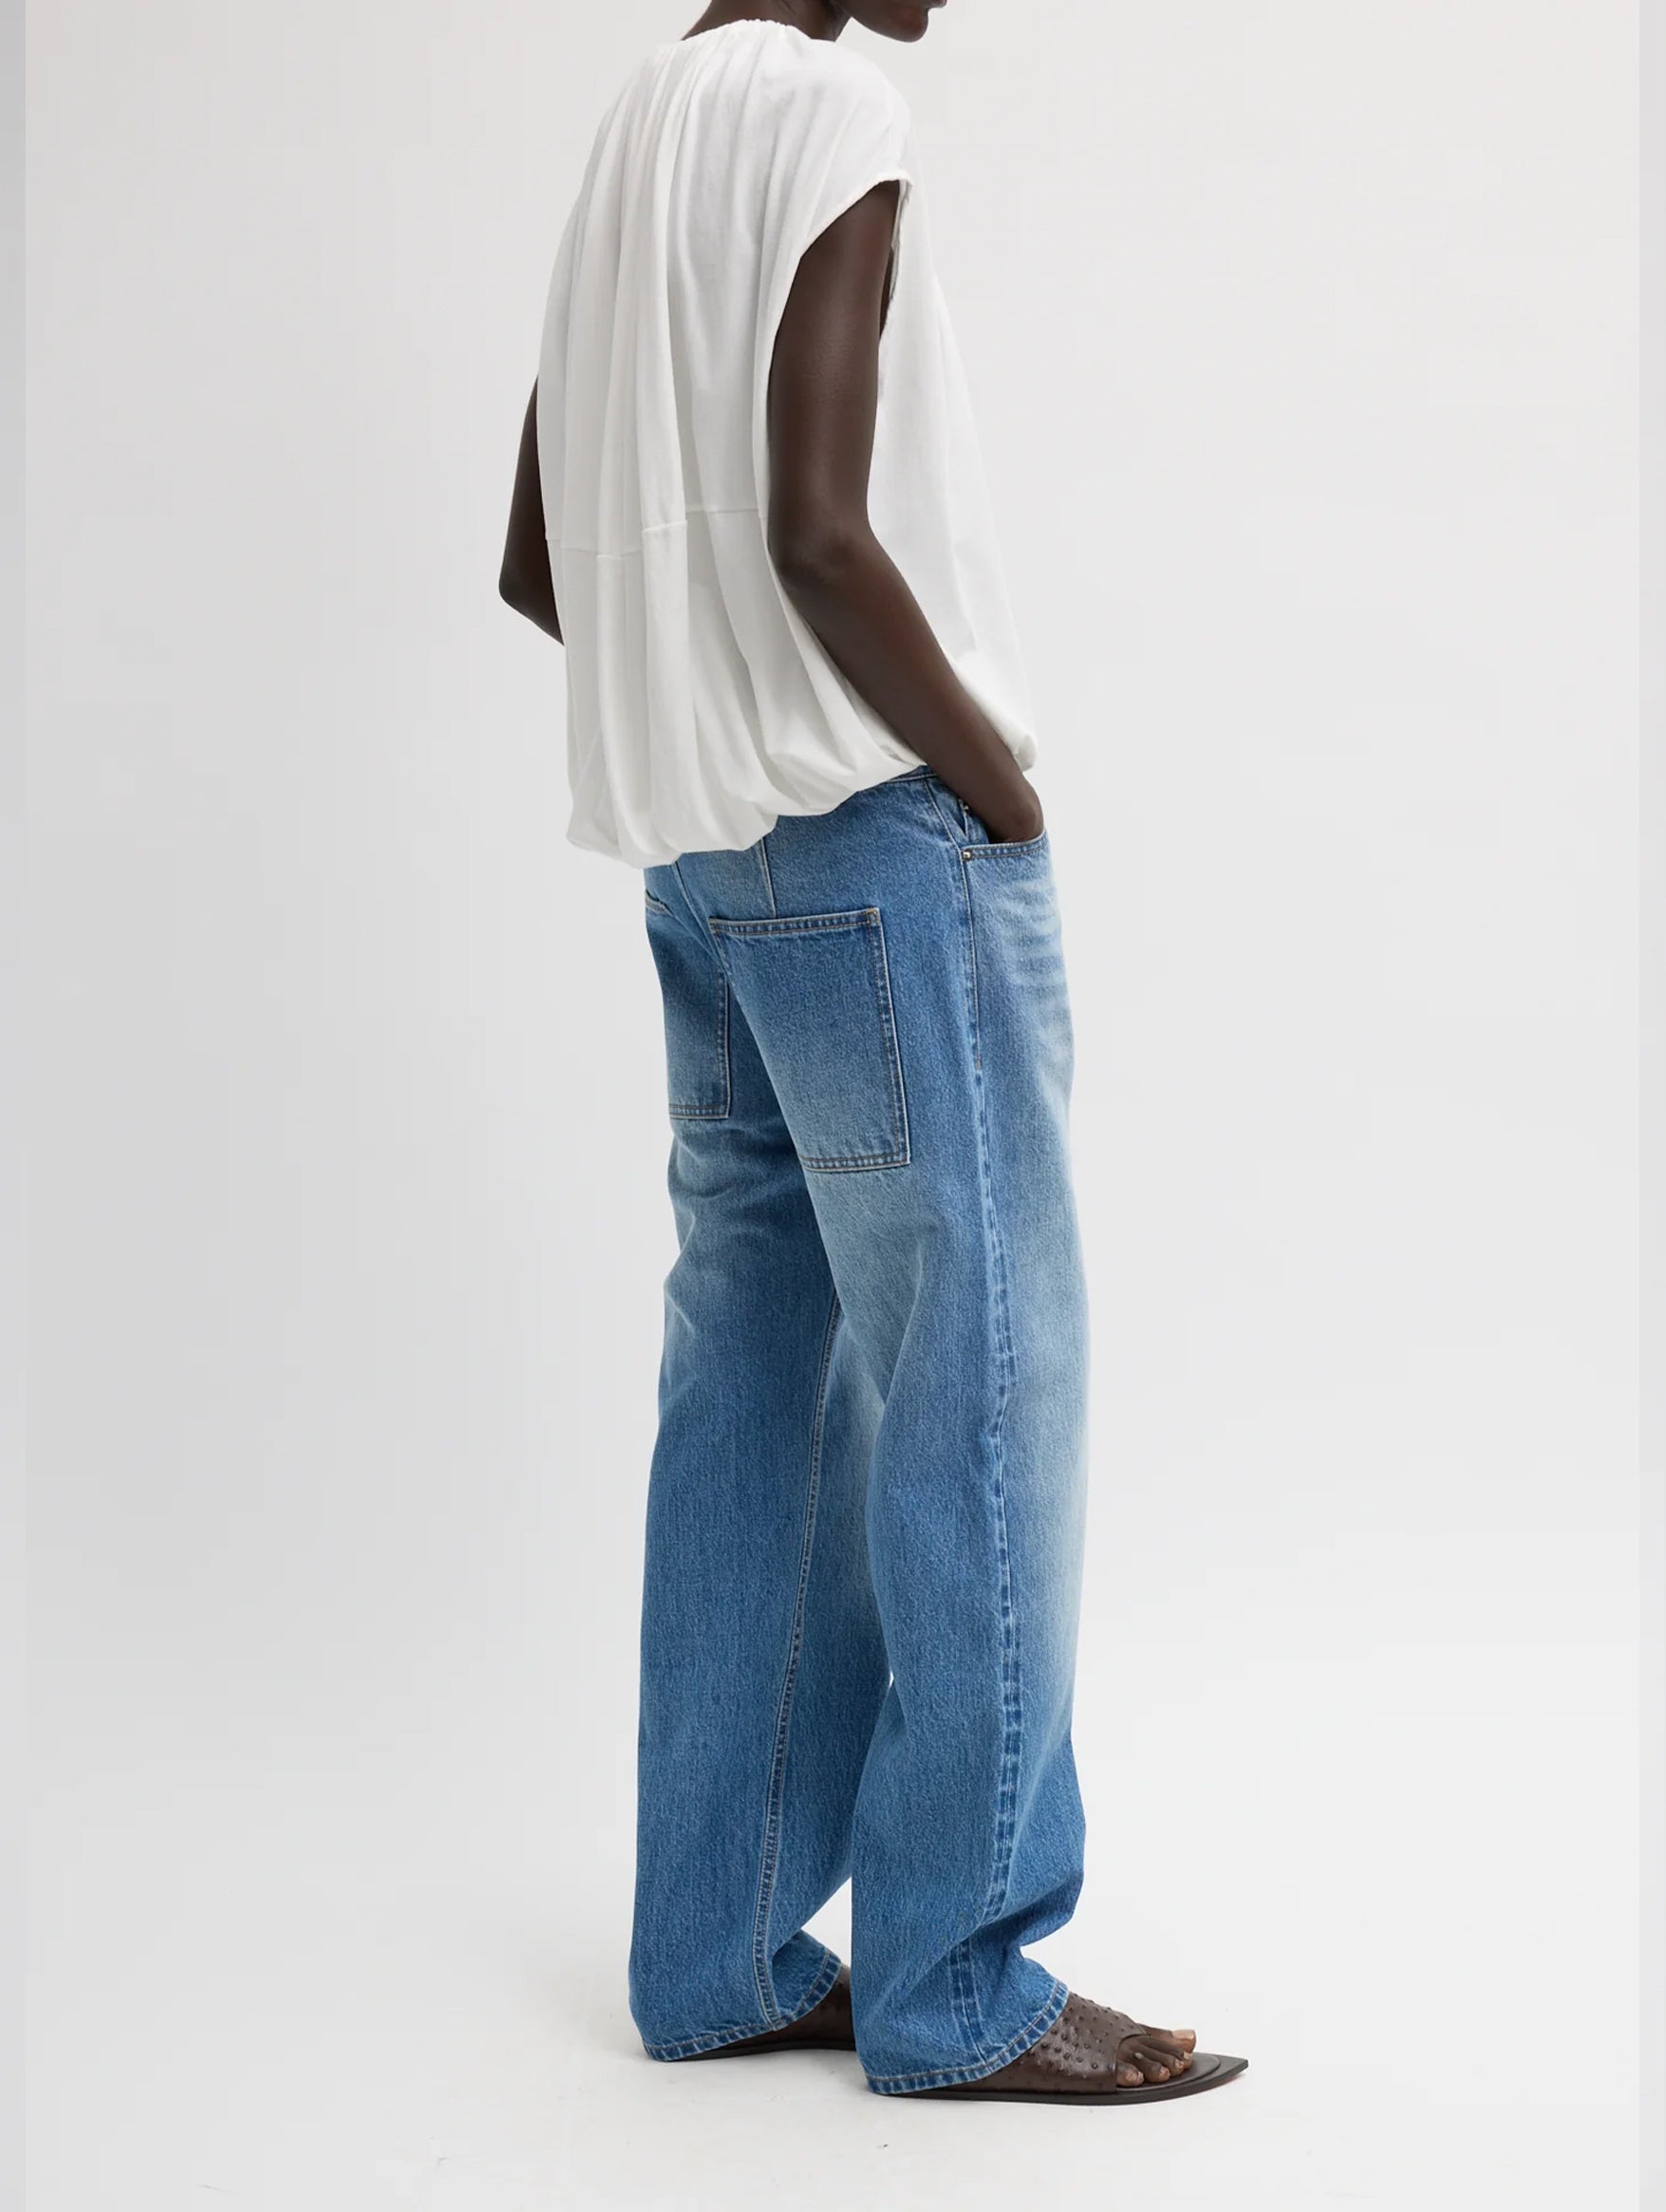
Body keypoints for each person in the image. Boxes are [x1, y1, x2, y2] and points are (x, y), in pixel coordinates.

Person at [500, 0, 1245, 2107]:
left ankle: (719, 1950)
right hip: (874, 847)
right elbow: (816, 530)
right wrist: (990, 781)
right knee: (978, 1370)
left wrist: (706, 700)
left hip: (699, 865)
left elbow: (538, 559)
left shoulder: (631, 132)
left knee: (751, 1370)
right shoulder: (834, 103)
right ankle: (956, 1975)